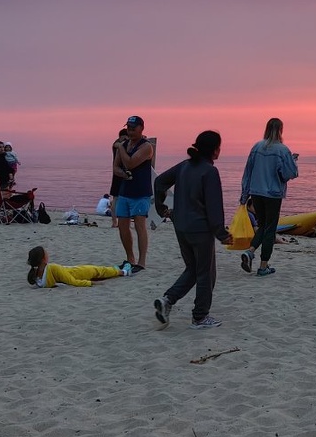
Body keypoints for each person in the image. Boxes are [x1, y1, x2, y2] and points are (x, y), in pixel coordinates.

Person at [152, 130, 228, 329]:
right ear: (214, 150)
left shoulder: (184, 166)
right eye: (219, 147)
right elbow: (214, 206)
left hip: (181, 226)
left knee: (193, 269)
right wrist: (221, 233)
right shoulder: (209, 171)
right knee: (206, 273)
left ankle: (167, 300)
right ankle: (200, 317)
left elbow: (159, 182)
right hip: (200, 229)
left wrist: (161, 209)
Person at [239, 117, 299, 277]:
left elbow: (248, 172)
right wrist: (292, 161)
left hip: (256, 192)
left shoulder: (256, 147)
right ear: (281, 130)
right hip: (273, 193)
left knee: (263, 224)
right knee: (270, 228)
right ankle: (263, 265)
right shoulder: (282, 150)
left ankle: (250, 251)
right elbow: (289, 173)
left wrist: (244, 195)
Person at [113, 116, 156, 271]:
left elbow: (131, 162)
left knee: (140, 226)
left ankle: (141, 261)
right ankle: (130, 258)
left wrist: (120, 148)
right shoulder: (125, 145)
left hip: (141, 192)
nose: (130, 131)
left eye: (133, 128)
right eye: (128, 128)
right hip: (125, 191)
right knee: (122, 226)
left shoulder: (146, 146)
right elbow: (116, 167)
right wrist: (123, 174)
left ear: (141, 128)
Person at [27, 246, 131, 288]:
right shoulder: (52, 267)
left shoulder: (37, 278)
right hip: (78, 273)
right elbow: (72, 281)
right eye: (46, 253)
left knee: (100, 271)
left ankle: (117, 269)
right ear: (43, 259)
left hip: (72, 271)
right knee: (99, 270)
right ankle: (123, 272)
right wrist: (92, 283)